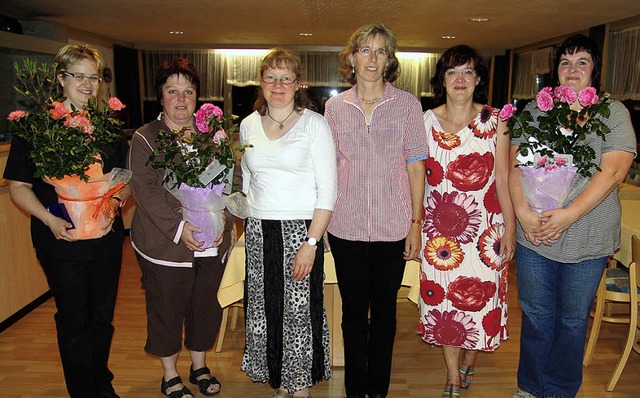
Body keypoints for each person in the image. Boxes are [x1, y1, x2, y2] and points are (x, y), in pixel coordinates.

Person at [509, 34, 636, 398]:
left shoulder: (612, 113)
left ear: (595, 69)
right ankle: (530, 389)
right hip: (535, 235)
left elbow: (613, 171)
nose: (573, 70)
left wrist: (567, 215)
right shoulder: (536, 109)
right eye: (565, 62)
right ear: (556, 70)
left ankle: (560, 391)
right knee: (535, 317)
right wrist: (522, 215)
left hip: (587, 236)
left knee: (572, 320)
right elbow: (514, 166)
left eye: (582, 62)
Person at [3, 44, 129, 398]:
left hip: (105, 237)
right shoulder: (37, 127)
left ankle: (102, 386)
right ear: (61, 79)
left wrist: (116, 200)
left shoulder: (106, 126)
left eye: (94, 77)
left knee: (102, 318)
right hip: (60, 237)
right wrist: (49, 219)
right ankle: (82, 392)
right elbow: (19, 187)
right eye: (79, 76)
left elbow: (123, 178)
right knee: (74, 318)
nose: (88, 85)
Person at [324, 23, 428, 398]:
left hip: (393, 226)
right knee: (352, 313)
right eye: (365, 50)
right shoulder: (334, 107)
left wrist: (416, 223)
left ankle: (378, 389)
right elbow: (329, 167)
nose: (372, 58)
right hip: (346, 226)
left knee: (385, 312)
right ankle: (354, 389)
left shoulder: (408, 105)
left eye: (380, 51)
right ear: (351, 58)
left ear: (389, 60)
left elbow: (417, 167)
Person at [128, 58, 231, 398]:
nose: (182, 99)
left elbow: (233, 182)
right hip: (166, 243)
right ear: (161, 97)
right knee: (167, 308)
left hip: (211, 242)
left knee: (205, 305)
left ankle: (199, 365)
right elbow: (146, 191)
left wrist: (224, 220)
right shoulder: (146, 138)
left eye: (189, 91)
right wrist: (181, 227)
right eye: (173, 91)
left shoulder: (213, 136)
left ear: (198, 96)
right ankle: (170, 373)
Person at [417, 45, 516, 398]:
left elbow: (503, 179)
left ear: (478, 79)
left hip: (487, 232)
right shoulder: (423, 122)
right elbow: (415, 179)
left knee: (481, 300)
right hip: (439, 237)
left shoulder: (497, 120)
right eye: (452, 72)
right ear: (441, 79)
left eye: (468, 72)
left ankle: (469, 360)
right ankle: (453, 377)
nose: (460, 80)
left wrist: (512, 232)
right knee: (445, 305)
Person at [240, 48, 336, 398]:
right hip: (259, 230)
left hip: (300, 230)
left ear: (299, 84)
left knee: (298, 311)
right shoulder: (248, 124)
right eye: (270, 77)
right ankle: (281, 379)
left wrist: (312, 241)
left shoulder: (315, 124)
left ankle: (300, 387)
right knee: (265, 309)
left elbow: (328, 189)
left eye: (286, 78)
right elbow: (248, 177)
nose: (278, 84)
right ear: (261, 83)